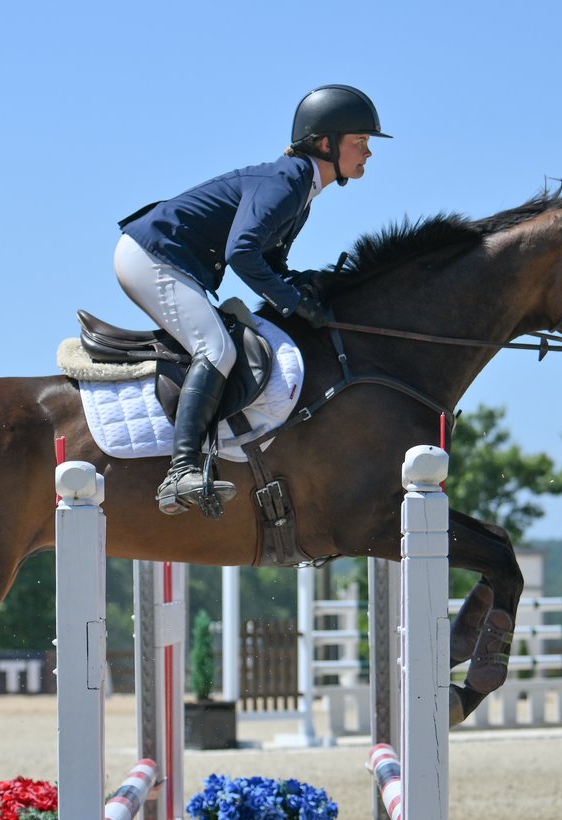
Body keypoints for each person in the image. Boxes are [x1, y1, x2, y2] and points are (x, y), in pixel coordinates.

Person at [115, 84, 389, 517]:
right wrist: (292, 304)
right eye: (360, 141)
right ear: (325, 143)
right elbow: (241, 253)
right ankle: (181, 470)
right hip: (152, 256)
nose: (368, 152)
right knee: (217, 348)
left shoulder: (300, 189)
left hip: (167, 258)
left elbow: (268, 260)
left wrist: (303, 287)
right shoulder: (289, 181)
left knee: (219, 343)